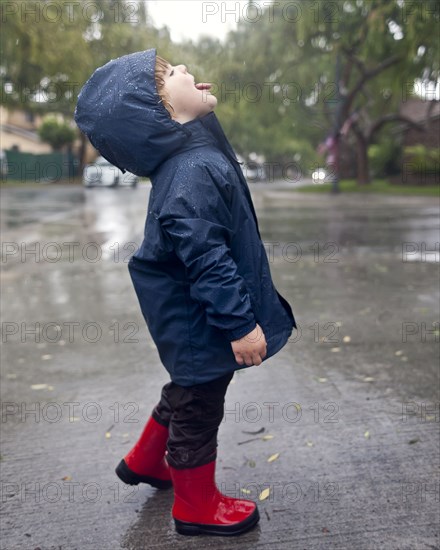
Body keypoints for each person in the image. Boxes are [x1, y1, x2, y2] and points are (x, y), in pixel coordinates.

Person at [74, 49, 297, 537]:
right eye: (173, 74)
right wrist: (240, 325)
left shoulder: (192, 155)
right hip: (203, 321)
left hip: (191, 323)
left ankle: (146, 461)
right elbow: (207, 260)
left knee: (187, 385)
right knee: (199, 405)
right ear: (163, 115)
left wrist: (195, 101)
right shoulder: (191, 170)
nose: (187, 71)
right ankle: (196, 506)